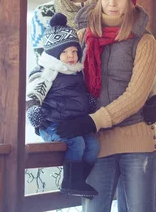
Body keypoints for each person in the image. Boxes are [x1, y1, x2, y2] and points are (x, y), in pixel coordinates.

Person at [29, 0, 156, 212]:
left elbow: (139, 87)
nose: (112, 3)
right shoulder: (79, 36)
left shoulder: (143, 41)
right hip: (96, 143)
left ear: (130, 2)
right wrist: (39, 111)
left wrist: (153, 96)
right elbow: (49, 70)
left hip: (133, 141)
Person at [26, 13, 100, 198]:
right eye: (65, 52)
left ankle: (79, 180)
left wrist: (88, 103)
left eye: (74, 51)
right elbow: (33, 93)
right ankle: (70, 181)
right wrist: (33, 110)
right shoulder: (47, 72)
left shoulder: (75, 72)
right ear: (54, 54)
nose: (71, 56)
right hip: (51, 124)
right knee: (77, 143)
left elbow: (78, 95)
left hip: (73, 124)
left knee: (93, 145)